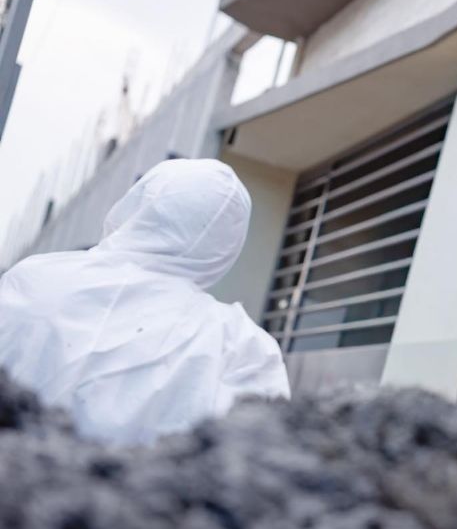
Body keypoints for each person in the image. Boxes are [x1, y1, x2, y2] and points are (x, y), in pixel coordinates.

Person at [0, 159, 291, 445]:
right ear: (227, 245)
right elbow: (262, 456)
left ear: (139, 205)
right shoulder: (242, 344)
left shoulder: (33, 279)